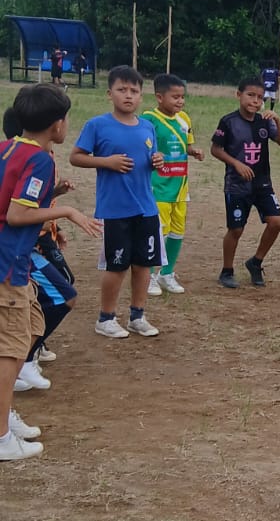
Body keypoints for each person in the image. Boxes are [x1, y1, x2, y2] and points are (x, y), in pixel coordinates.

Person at [0, 85, 102, 459]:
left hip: (17, 263)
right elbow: (16, 214)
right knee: (10, 350)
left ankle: (4, 416)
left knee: (30, 328)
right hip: (7, 265)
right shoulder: (40, 159)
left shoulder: (7, 148)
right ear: (57, 125)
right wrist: (68, 211)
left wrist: (53, 195)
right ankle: (1, 438)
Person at [70, 66, 166, 339]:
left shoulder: (147, 127)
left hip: (146, 208)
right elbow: (76, 157)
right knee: (117, 265)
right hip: (115, 209)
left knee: (144, 263)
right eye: (122, 90)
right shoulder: (97, 125)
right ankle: (106, 318)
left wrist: (157, 160)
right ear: (109, 93)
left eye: (134, 91)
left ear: (141, 96)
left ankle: (138, 315)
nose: (128, 95)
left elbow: (151, 157)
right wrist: (106, 162)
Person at [210, 77, 280, 288]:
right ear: (239, 95)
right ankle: (227, 271)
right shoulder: (228, 121)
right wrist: (236, 164)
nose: (255, 101)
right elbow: (215, 149)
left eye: (260, 97)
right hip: (237, 185)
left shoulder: (264, 122)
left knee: (276, 221)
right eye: (250, 95)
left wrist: (278, 121)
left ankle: (256, 262)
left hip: (262, 183)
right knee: (236, 230)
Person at [145, 73, 203, 296]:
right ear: (160, 97)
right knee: (158, 231)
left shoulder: (184, 119)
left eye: (182, 97)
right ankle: (149, 275)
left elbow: (186, 145)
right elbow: (142, 148)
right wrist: (153, 155)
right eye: (175, 97)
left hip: (180, 187)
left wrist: (193, 151)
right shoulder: (149, 119)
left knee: (178, 231)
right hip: (158, 186)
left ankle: (166, 273)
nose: (180, 101)